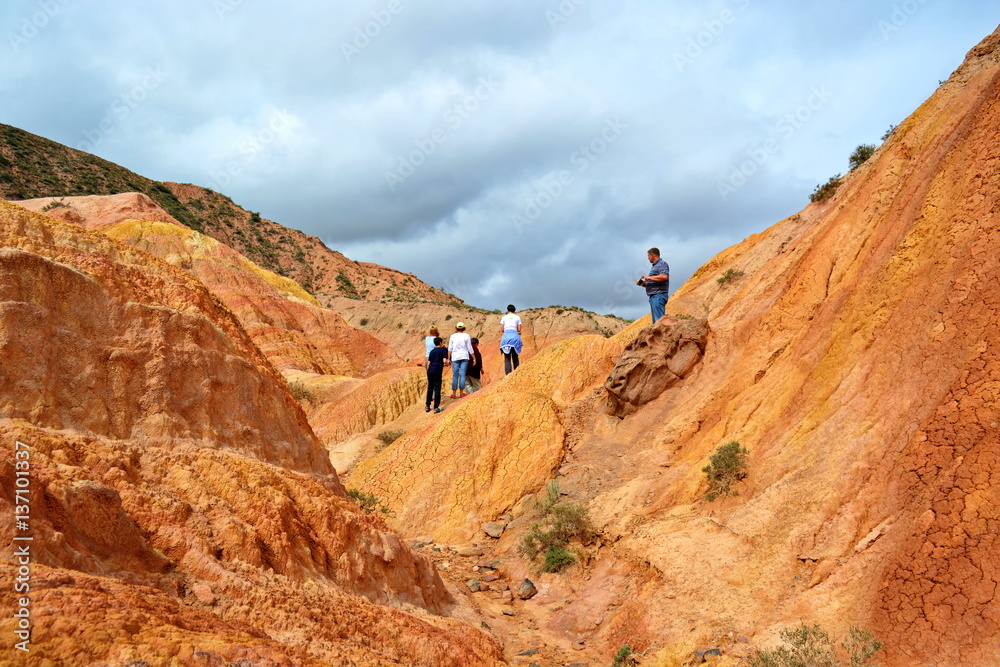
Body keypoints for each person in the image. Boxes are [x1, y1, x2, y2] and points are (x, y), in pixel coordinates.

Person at [636, 247, 670, 323]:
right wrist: (641, 283)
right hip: (654, 296)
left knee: (659, 322)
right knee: (656, 323)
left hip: (658, 295)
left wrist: (648, 277)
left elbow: (664, 276)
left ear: (652, 255)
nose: (648, 258)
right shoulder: (655, 266)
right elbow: (652, 282)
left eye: (648, 256)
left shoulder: (662, 264)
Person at [447, 322, 474, 398]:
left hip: (455, 357)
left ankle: (454, 394)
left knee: (455, 375)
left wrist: (448, 358)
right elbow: (469, 347)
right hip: (464, 356)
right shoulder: (466, 336)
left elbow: (450, 348)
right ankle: (462, 393)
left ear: (456, 328)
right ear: (464, 328)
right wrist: (474, 358)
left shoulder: (452, 336)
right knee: (462, 375)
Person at [425, 337, 447, 413]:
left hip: (430, 370)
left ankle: (427, 406)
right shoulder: (443, 350)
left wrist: (428, 370)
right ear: (440, 343)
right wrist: (447, 363)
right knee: (437, 389)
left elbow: (429, 362)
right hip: (437, 371)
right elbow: (444, 360)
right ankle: (436, 407)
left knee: (430, 388)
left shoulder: (432, 351)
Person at [499, 304, 522, 375]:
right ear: (514, 310)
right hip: (515, 338)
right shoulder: (518, 317)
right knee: (515, 357)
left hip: (506, 339)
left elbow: (502, 329)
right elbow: (519, 329)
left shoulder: (504, 317)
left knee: (507, 358)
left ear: (507, 310)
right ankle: (516, 374)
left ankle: (508, 374)